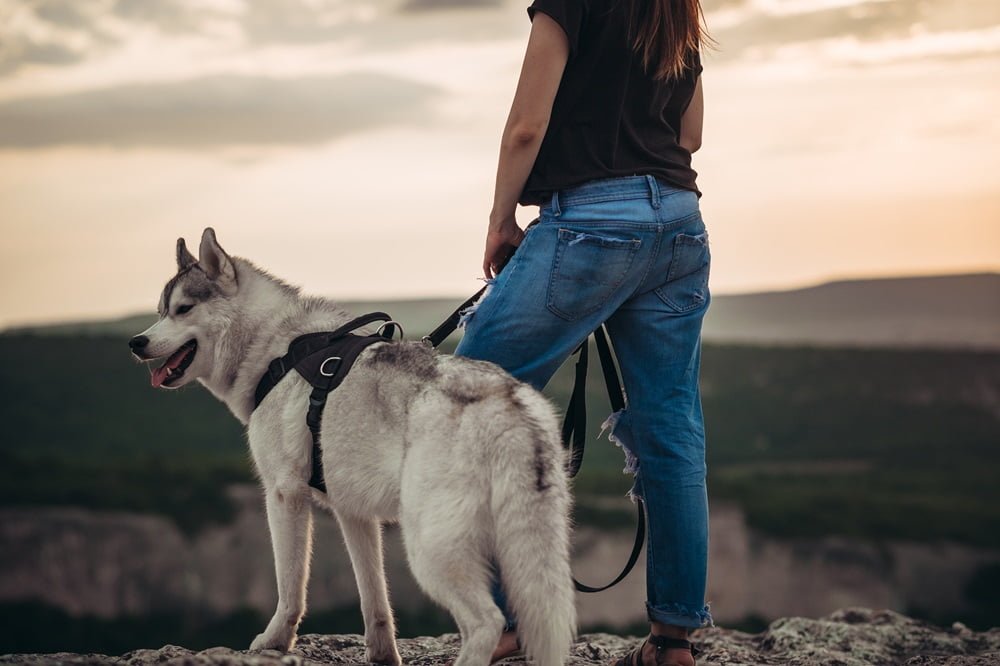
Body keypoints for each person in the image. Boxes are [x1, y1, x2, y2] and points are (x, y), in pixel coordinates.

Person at [454, 0, 713, 664]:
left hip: (592, 220)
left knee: (465, 398)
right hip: (679, 225)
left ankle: (508, 625)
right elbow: (690, 134)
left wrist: (501, 219)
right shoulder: (676, 5)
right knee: (672, 426)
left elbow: (526, 126)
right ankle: (673, 642)